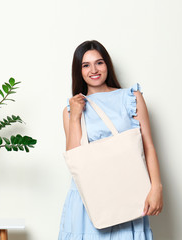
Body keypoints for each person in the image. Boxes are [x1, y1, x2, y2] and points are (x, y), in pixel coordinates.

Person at [58, 40, 163, 239]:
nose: (94, 70)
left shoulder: (131, 97)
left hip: (127, 192)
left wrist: (156, 187)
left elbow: (148, 146)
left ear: (107, 65)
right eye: (86, 65)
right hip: (88, 198)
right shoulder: (71, 109)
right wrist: (75, 117)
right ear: (78, 71)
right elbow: (74, 159)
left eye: (99, 63)